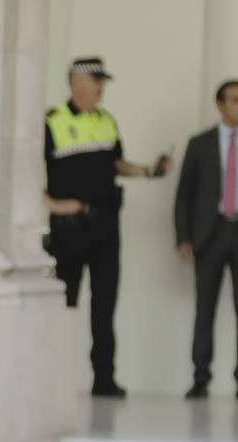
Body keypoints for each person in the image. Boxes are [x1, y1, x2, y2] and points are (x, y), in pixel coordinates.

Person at [44, 56, 171, 398]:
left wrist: (147, 171)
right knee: (64, 304)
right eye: (95, 80)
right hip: (70, 227)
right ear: (75, 83)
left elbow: (115, 164)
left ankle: (104, 379)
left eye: (103, 81)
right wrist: (54, 205)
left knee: (105, 304)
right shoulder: (52, 122)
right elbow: (26, 172)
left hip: (106, 225)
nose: (101, 87)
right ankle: (55, 378)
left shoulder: (106, 121)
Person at [175, 79, 238, 398]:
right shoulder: (200, 143)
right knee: (205, 308)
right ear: (220, 104)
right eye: (234, 99)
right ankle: (201, 376)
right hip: (209, 234)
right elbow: (184, 195)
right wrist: (183, 237)